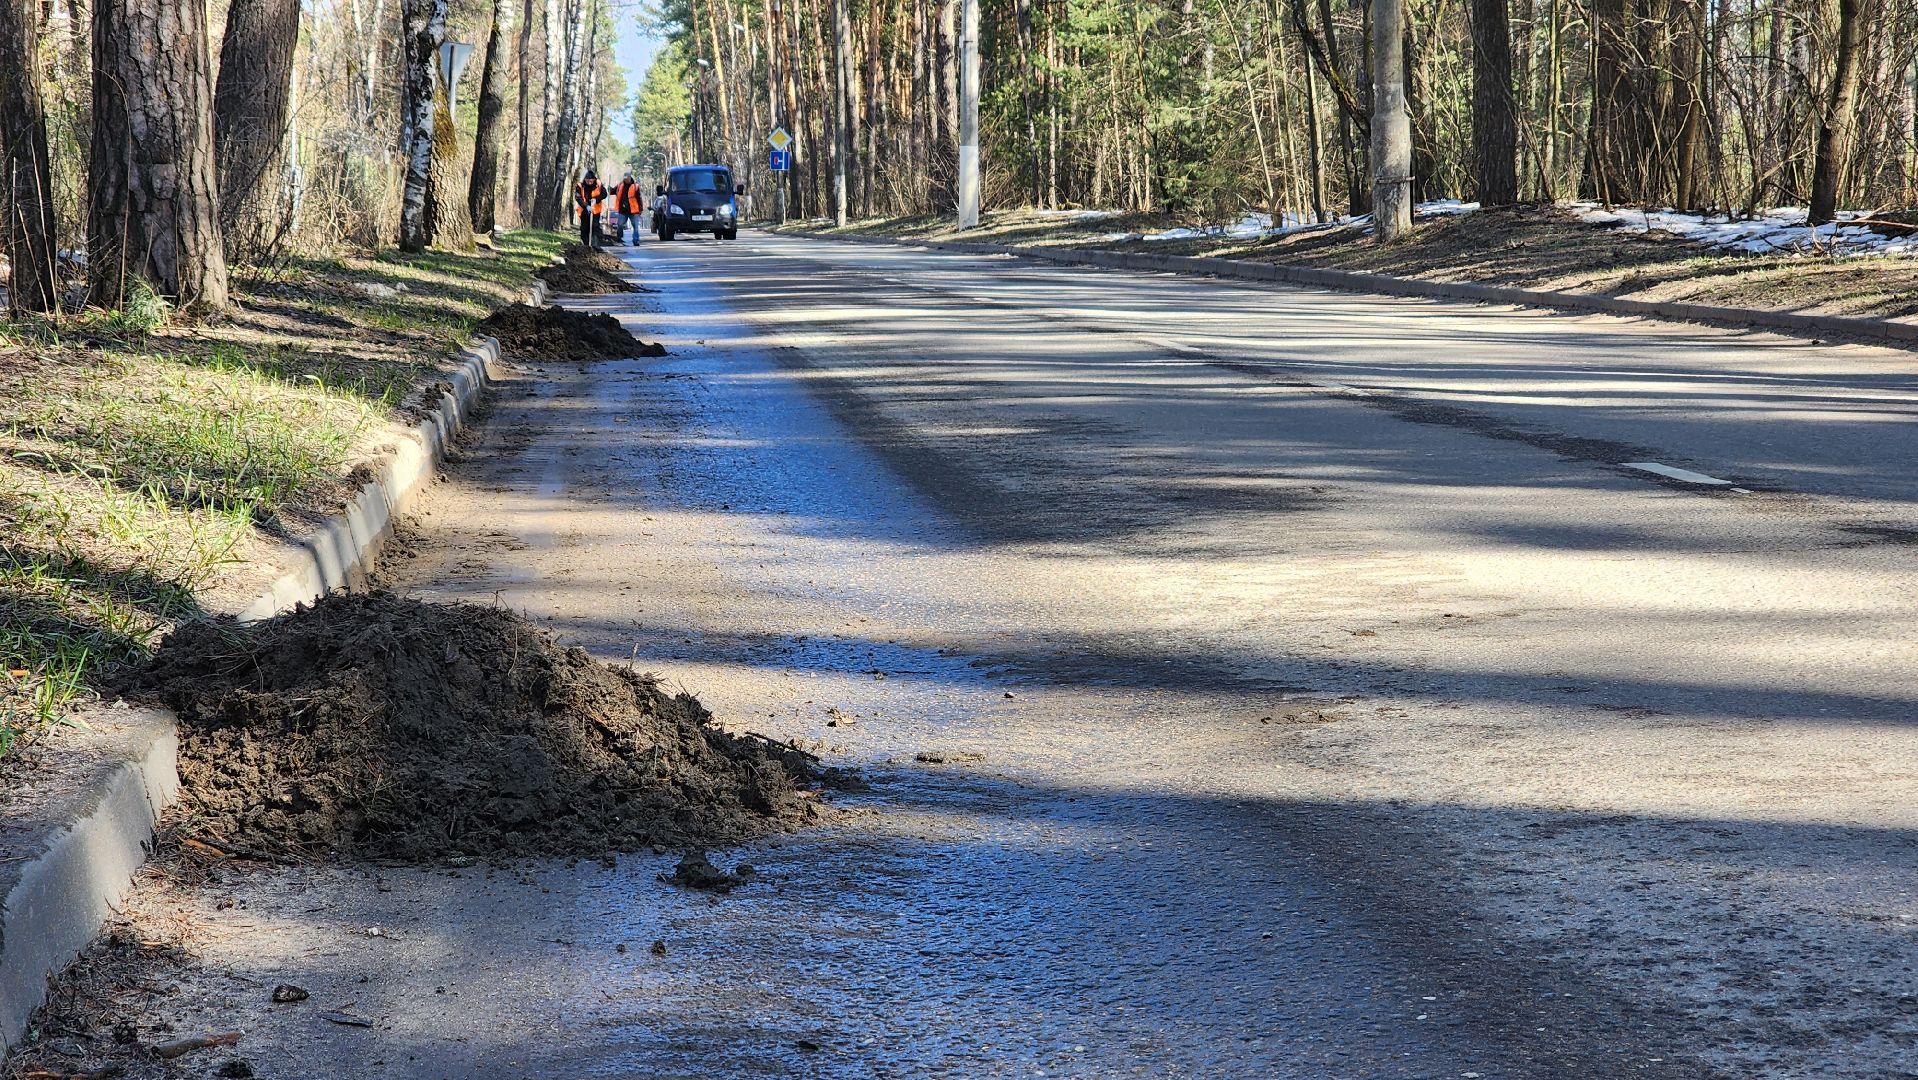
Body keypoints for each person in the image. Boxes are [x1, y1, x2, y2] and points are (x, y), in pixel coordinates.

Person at [574, 169, 608, 249]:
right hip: (584, 209)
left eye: (591, 181)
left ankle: (595, 245)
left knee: (595, 227)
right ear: (585, 179)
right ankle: (586, 246)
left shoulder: (598, 184)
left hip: (595, 210)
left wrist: (597, 199)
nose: (589, 182)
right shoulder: (580, 185)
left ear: (594, 179)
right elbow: (578, 197)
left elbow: (604, 194)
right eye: (587, 181)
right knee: (584, 228)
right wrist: (586, 206)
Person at [612, 172, 646, 244]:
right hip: (623, 211)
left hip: (633, 211)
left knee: (636, 226)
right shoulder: (620, 185)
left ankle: (636, 240)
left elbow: (639, 198)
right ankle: (619, 238)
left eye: (627, 178)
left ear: (630, 177)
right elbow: (612, 191)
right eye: (624, 178)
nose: (625, 179)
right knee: (620, 225)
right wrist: (609, 189)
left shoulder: (635, 186)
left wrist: (640, 209)